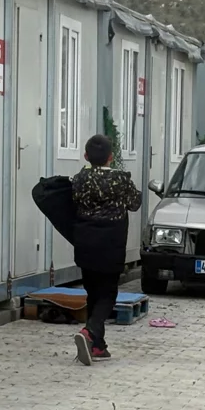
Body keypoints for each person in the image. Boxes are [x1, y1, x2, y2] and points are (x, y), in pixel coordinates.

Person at [71, 134, 142, 366]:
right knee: (108, 294)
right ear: (111, 157)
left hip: (85, 243)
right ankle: (90, 331)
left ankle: (97, 346)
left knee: (93, 292)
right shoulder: (121, 180)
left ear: (86, 156)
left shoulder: (80, 179)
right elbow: (135, 203)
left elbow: (73, 202)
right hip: (111, 244)